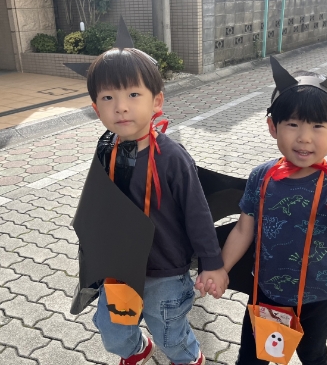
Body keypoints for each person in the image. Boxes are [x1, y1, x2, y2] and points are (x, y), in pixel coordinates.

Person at [200, 74, 327, 365]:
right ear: (273, 127)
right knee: (251, 358)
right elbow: (244, 229)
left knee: (313, 356)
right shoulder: (262, 176)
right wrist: (222, 268)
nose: (304, 137)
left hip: (317, 299)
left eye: (318, 126)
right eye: (293, 124)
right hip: (264, 295)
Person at [87, 47, 227, 365]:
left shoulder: (172, 157)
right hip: (119, 270)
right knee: (112, 330)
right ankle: (137, 349)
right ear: (96, 109)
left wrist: (212, 263)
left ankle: (189, 358)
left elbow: (198, 213)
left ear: (157, 101)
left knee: (169, 334)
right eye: (108, 97)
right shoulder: (106, 151)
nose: (121, 106)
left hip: (165, 272)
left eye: (133, 94)